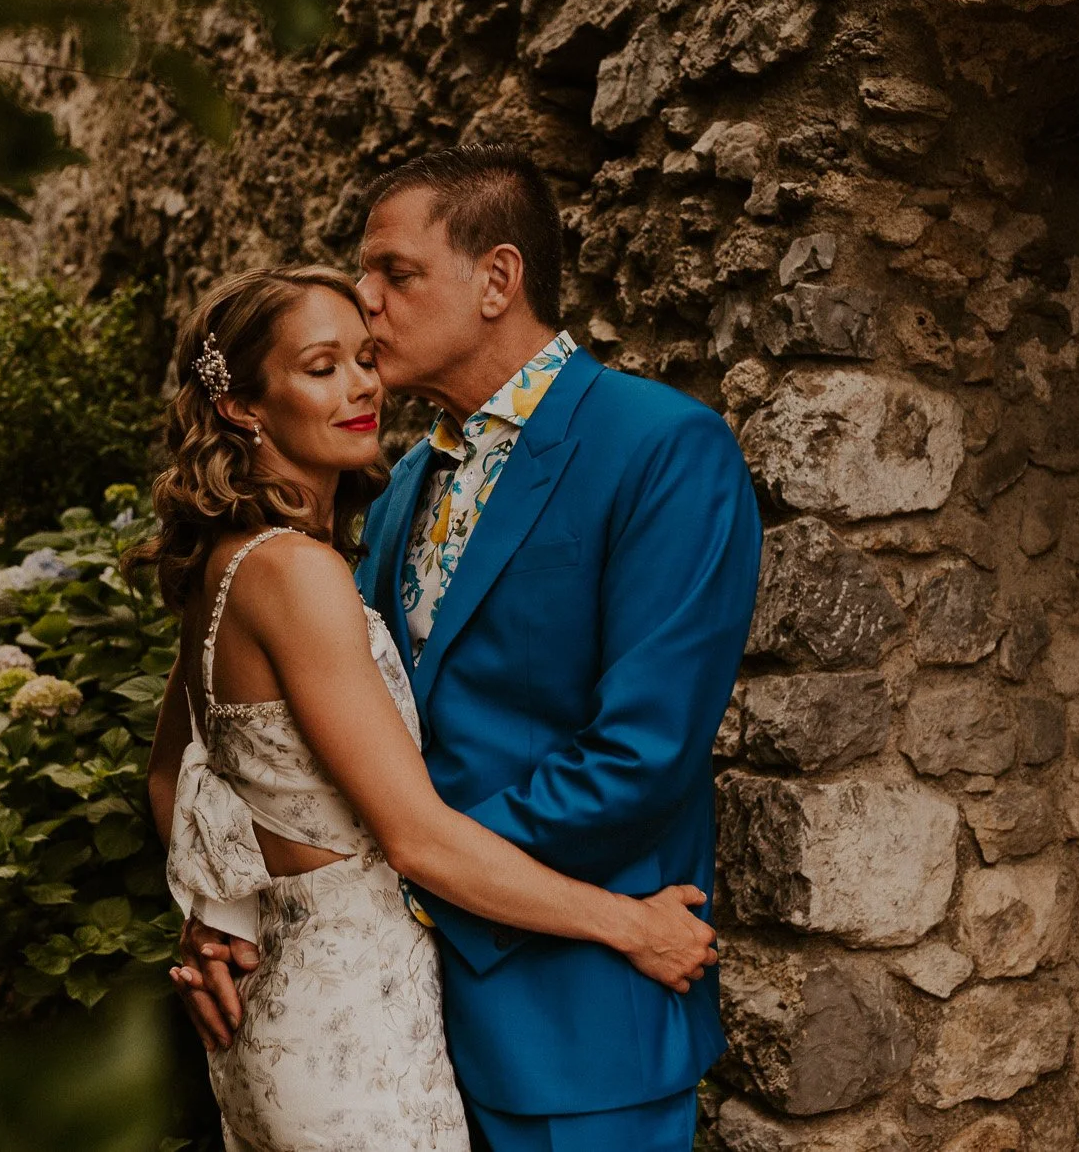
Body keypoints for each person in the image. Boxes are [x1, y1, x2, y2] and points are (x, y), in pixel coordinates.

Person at [170, 146, 763, 1151]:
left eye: (392, 274)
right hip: (395, 1025)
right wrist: (223, 894)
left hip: (573, 1027)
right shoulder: (397, 483)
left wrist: (394, 872)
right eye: (362, 277)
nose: (365, 303)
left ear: (497, 279)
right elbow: (276, 732)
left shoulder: (660, 447)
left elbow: (641, 754)